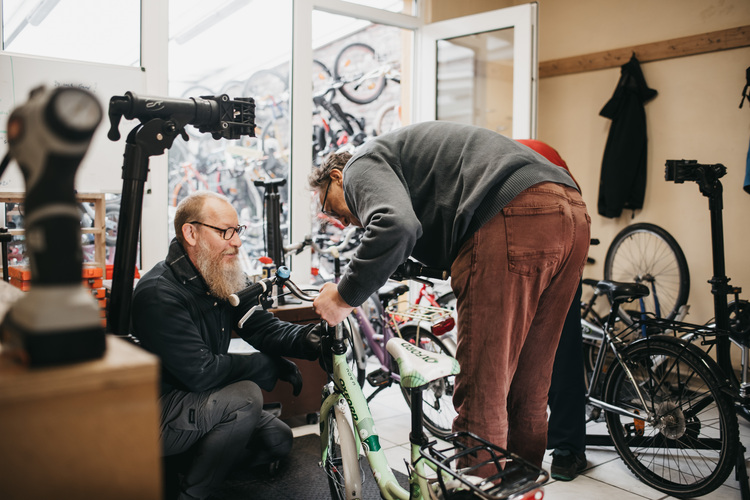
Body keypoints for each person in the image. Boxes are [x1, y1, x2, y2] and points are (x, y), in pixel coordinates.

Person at [309, 121, 590, 469]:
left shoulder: (359, 165)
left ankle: (476, 487)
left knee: (483, 387)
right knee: (529, 384)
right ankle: (521, 485)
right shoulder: (401, 162)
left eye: (332, 209)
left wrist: (342, 297)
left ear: (337, 177)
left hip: (512, 211)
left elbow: (395, 225)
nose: (343, 222)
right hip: (571, 212)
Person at [130, 191, 321, 500]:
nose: (237, 241)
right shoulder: (158, 293)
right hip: (155, 415)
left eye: (238, 230)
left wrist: (308, 340)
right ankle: (192, 494)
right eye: (225, 232)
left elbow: (259, 326)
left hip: (202, 401)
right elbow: (201, 373)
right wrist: (267, 366)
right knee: (246, 397)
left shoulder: (216, 274)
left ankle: (191, 461)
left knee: (279, 440)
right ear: (191, 232)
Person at [516, 139, 588, 481]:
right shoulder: (543, 153)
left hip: (514, 251)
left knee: (509, 355)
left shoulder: (484, 162)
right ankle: (565, 452)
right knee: (563, 353)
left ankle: (512, 449)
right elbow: (577, 210)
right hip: (566, 241)